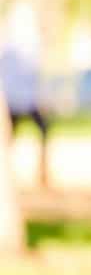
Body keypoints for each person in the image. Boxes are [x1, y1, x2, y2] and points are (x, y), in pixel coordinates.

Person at [0, 42, 49, 187]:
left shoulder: (24, 56)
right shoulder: (12, 55)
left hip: (22, 101)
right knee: (10, 138)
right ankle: (10, 171)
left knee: (41, 132)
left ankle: (41, 170)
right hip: (17, 102)